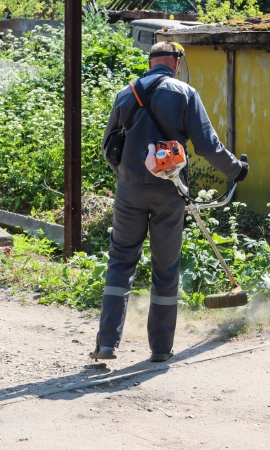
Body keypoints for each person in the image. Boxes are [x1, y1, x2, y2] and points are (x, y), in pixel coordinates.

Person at [90, 41, 248, 363]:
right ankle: (160, 350)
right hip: (169, 192)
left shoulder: (125, 94)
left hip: (129, 191)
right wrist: (236, 169)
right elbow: (207, 145)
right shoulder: (184, 94)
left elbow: (108, 148)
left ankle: (107, 344)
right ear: (176, 62)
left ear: (150, 63)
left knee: (120, 262)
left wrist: (128, 176)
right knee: (165, 268)